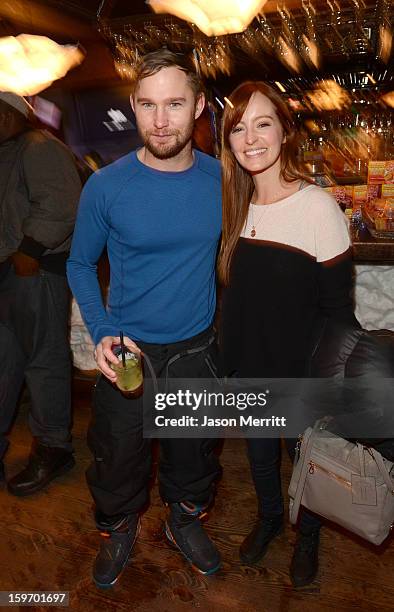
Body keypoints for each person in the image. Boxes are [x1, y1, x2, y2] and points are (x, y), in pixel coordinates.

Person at [67, 49, 222, 588]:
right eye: (149, 105)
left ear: (199, 106)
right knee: (116, 459)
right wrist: (102, 329)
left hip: (197, 349)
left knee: (195, 454)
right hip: (127, 351)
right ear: (133, 107)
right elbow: (80, 262)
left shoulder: (224, 182)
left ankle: (184, 520)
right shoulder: (106, 186)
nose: (161, 120)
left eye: (175, 104)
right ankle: (120, 527)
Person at [218, 81, 359, 587]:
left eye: (262, 123)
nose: (250, 137)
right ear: (228, 140)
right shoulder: (235, 207)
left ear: (284, 130)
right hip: (251, 371)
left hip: (302, 373)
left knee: (307, 463)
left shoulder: (317, 207)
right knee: (258, 458)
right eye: (238, 127)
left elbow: (339, 312)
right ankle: (271, 518)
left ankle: (308, 535)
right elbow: (236, 298)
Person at [0, 92, 81, 495]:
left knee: (43, 361)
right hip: (12, 273)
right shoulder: (14, 150)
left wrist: (29, 249)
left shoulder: (39, 147)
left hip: (35, 272)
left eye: (3, 113)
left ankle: (53, 447)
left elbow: (63, 203)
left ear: (16, 115)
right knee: (6, 362)